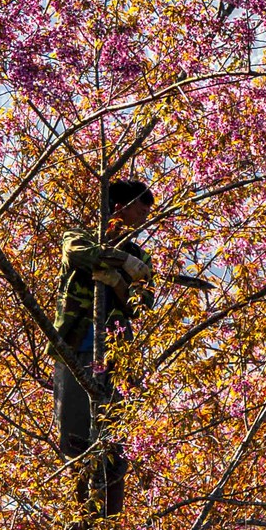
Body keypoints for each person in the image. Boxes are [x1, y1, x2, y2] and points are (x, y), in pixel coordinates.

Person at [52, 179, 208, 512]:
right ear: (119, 207)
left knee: (114, 439)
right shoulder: (79, 237)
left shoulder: (141, 255)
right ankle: (82, 515)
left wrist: (120, 281)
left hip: (117, 354)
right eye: (139, 209)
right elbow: (79, 254)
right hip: (77, 346)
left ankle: (108, 521)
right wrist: (119, 261)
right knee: (77, 434)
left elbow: (141, 303)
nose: (142, 218)